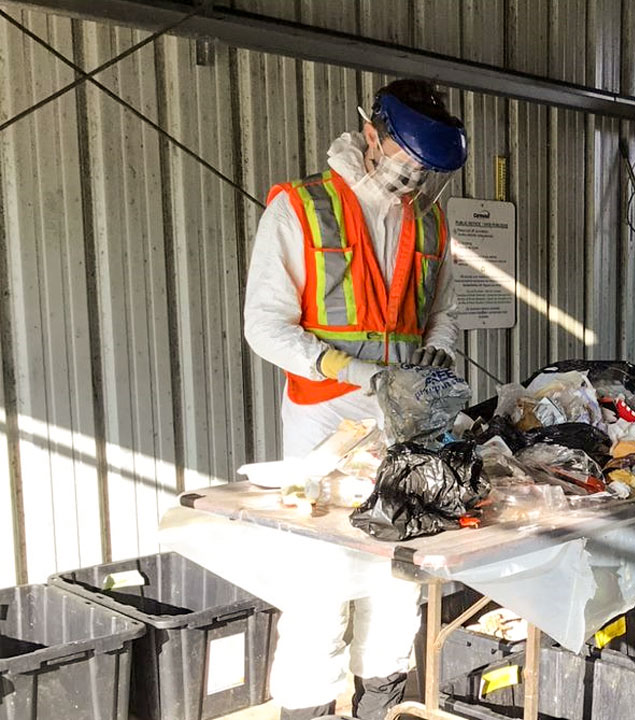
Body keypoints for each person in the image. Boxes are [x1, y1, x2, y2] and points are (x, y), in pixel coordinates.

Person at [243, 79, 467, 720]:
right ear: (372, 133)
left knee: (398, 574)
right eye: (406, 158)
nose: (414, 176)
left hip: (403, 419)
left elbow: (441, 311)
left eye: (427, 169)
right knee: (319, 581)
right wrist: (342, 365)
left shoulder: (427, 218)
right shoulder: (300, 207)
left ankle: (382, 705)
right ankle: (308, 708)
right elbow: (265, 326)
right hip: (325, 418)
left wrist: (438, 351)